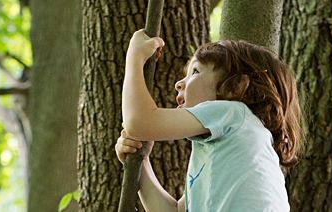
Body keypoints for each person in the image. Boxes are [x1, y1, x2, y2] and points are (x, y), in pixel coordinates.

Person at [115, 29, 304, 211]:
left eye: (195, 72)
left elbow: (138, 123)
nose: (178, 84)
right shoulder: (228, 151)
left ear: (234, 87)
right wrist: (142, 162)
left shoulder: (233, 113)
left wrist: (134, 57)